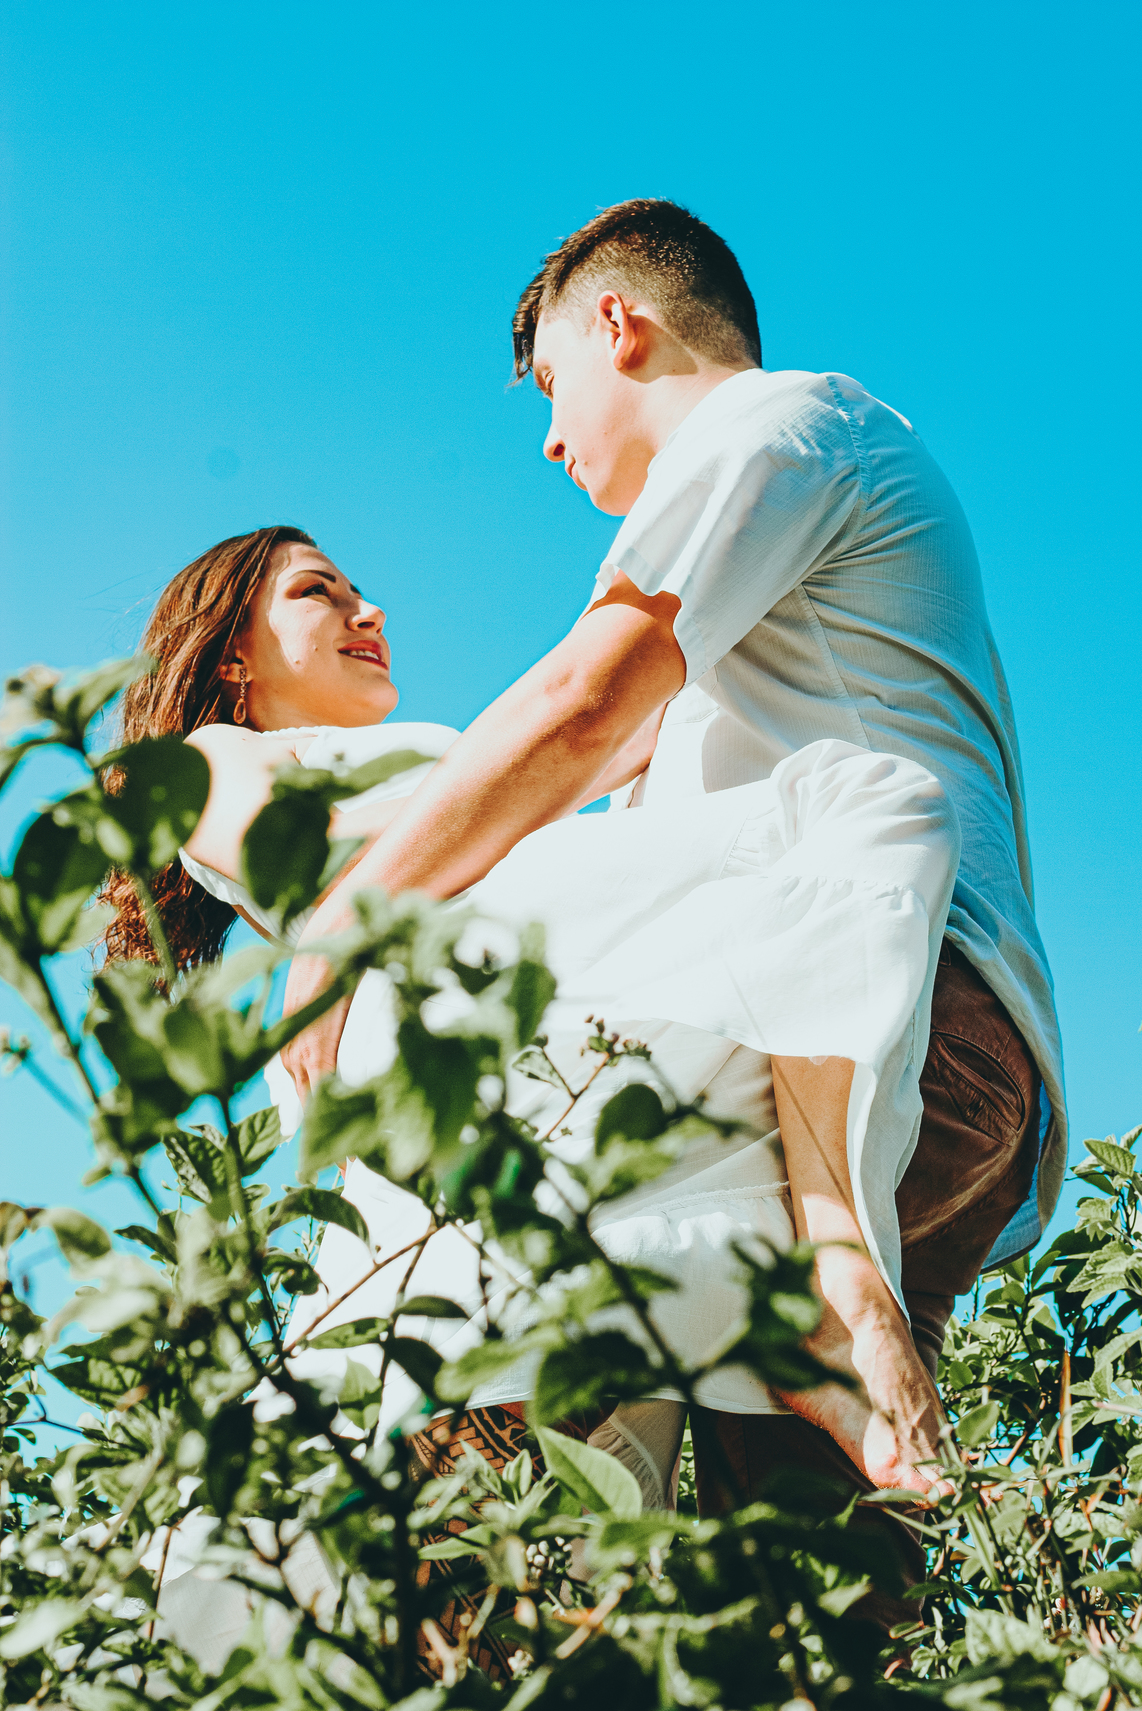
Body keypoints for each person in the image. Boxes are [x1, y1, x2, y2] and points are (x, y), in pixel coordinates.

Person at [263, 201, 1065, 1525]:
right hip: (948, 1078)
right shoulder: (779, 584)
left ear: (619, 326)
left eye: (552, 385)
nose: (550, 438)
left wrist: (349, 921)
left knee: (493, 1412)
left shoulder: (777, 425)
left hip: (882, 1023)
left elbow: (583, 704)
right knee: (808, 1584)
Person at [107, 523, 963, 1614]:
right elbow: (301, 852)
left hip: (525, 993)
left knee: (566, 1490)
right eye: (320, 592)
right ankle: (824, 1291)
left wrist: (547, 762)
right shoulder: (208, 756)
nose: (369, 612)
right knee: (862, 804)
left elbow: (603, 737)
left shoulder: (435, 750)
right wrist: (514, 780)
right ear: (232, 653)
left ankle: (810, 1277)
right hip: (445, 996)